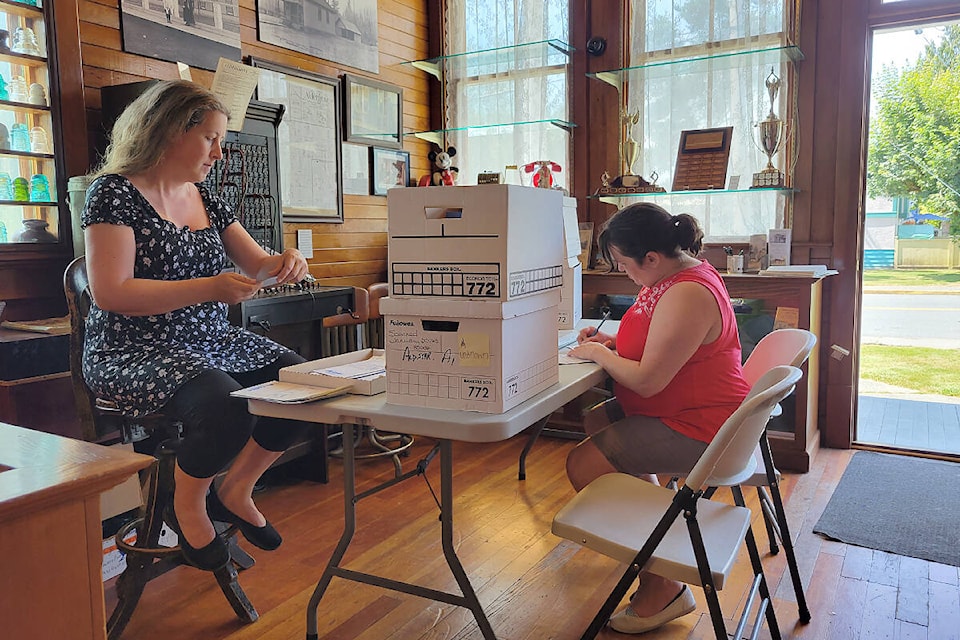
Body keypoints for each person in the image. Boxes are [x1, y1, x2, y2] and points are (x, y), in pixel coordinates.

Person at [82, 80, 310, 572]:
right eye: (210, 138)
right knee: (224, 407)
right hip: (132, 349)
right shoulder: (114, 193)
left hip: (209, 342)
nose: (220, 152)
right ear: (166, 131)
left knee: (302, 385)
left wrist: (286, 261)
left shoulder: (207, 195)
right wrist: (209, 287)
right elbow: (112, 292)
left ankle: (237, 488)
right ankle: (188, 505)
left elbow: (258, 266)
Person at [565, 202, 751, 634]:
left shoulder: (687, 291)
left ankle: (662, 583)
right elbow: (659, 342)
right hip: (689, 410)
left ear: (651, 258)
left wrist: (594, 353)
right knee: (598, 421)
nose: (624, 273)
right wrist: (611, 342)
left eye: (625, 265)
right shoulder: (670, 277)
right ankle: (655, 541)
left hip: (706, 429)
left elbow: (648, 381)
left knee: (583, 462)